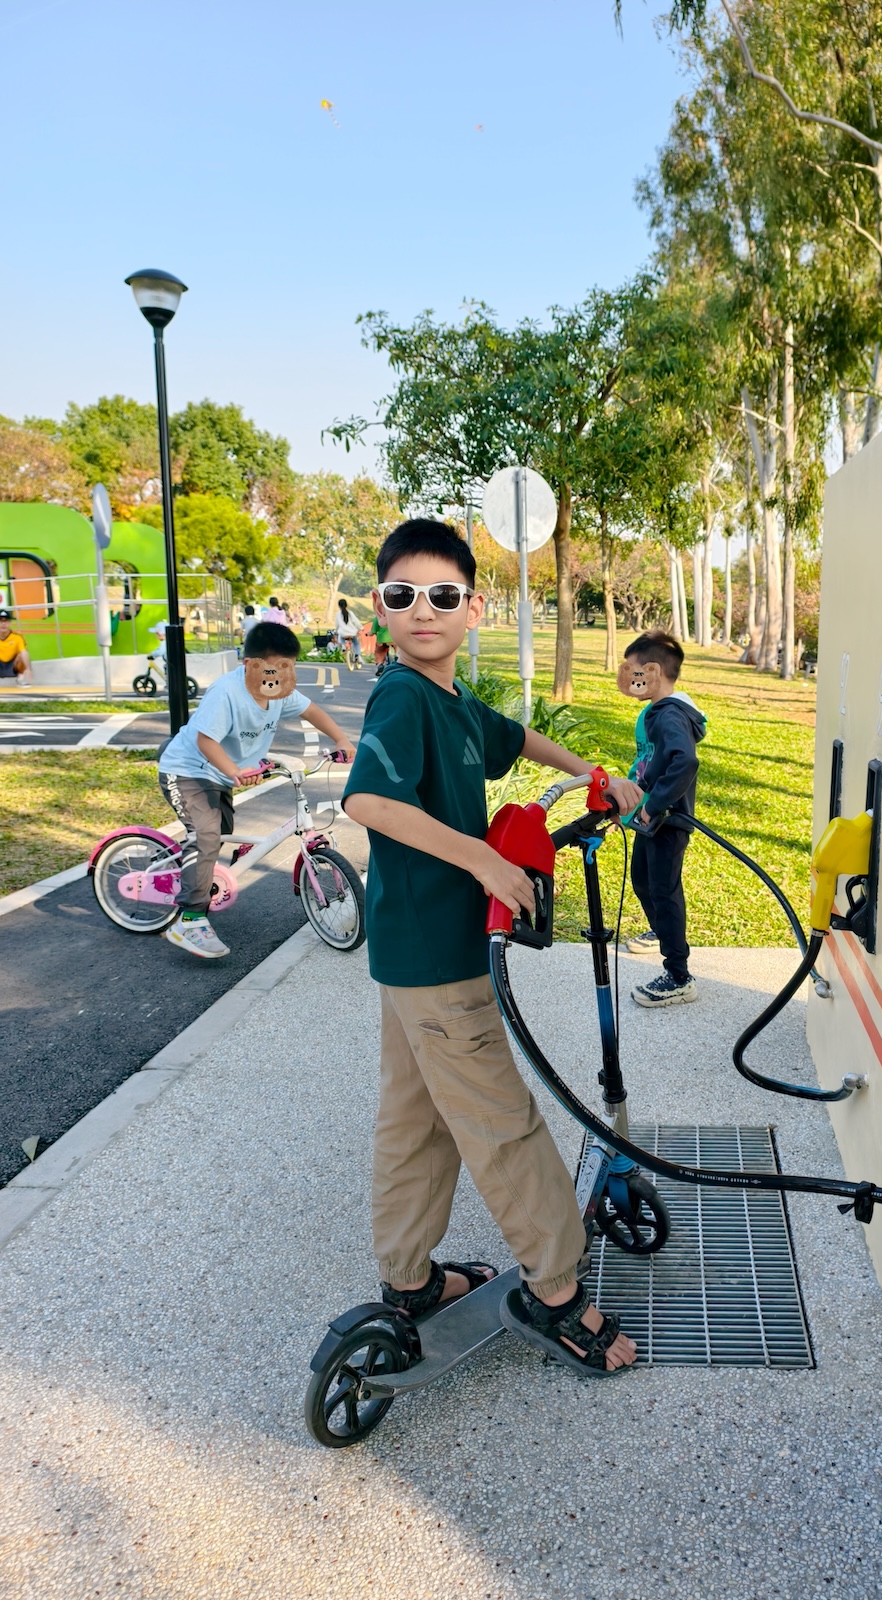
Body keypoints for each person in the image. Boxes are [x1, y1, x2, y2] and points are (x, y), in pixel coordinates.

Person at [341, 518, 643, 1376]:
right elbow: (369, 802)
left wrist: (594, 773)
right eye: (403, 597)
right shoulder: (402, 696)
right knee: (502, 1123)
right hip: (440, 957)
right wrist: (481, 858)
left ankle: (409, 1281)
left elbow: (516, 740)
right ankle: (556, 1294)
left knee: (417, 1118)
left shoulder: (451, 701)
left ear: (474, 606)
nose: (423, 610)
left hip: (411, 960)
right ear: (381, 607)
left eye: (442, 595)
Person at [157, 620, 356, 959]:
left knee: (221, 834)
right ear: (249, 665)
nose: (281, 676)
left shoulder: (278, 692)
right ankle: (189, 920)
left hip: (221, 776)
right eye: (273, 668)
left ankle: (209, 873)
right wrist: (235, 770)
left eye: (288, 668)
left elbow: (312, 711)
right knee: (206, 835)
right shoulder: (227, 693)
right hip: (187, 771)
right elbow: (206, 740)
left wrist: (340, 739)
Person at [616, 630, 707, 1008]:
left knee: (664, 890)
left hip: (666, 821)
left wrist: (655, 805)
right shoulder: (659, 710)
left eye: (634, 670)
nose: (629, 677)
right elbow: (652, 762)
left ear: (653, 671)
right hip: (650, 819)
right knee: (643, 880)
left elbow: (684, 760)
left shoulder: (670, 713)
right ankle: (661, 931)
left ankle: (679, 974)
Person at [0, 609, 33, 684]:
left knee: (22, 655)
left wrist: (28, 669)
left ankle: (20, 679)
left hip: (12, 665)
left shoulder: (17, 636)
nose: (3, 624)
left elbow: (24, 652)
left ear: (9, 623)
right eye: (0, 621)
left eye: (6, 621)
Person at [335, 597, 362, 669]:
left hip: (343, 633)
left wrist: (335, 631)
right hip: (352, 633)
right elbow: (356, 622)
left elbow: (337, 625)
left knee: (340, 637)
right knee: (356, 643)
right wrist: (360, 628)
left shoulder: (337, 614)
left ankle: (343, 646)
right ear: (346, 605)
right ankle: (357, 655)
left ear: (339, 606)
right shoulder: (350, 613)